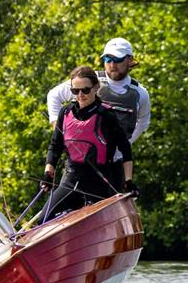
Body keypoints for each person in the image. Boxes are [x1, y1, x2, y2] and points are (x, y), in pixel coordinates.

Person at [46, 37, 150, 191]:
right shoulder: (89, 80)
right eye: (108, 58)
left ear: (129, 60)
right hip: (79, 164)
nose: (112, 64)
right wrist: (58, 127)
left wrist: (123, 145)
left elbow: (143, 122)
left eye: (118, 59)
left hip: (113, 166)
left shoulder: (140, 93)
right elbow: (54, 96)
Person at [39, 66, 137, 222]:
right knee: (43, 219)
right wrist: (48, 172)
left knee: (92, 221)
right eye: (75, 91)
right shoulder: (65, 112)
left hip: (99, 183)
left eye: (85, 90)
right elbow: (55, 145)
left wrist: (128, 181)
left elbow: (125, 149)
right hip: (72, 178)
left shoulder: (107, 116)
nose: (80, 95)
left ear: (96, 87)